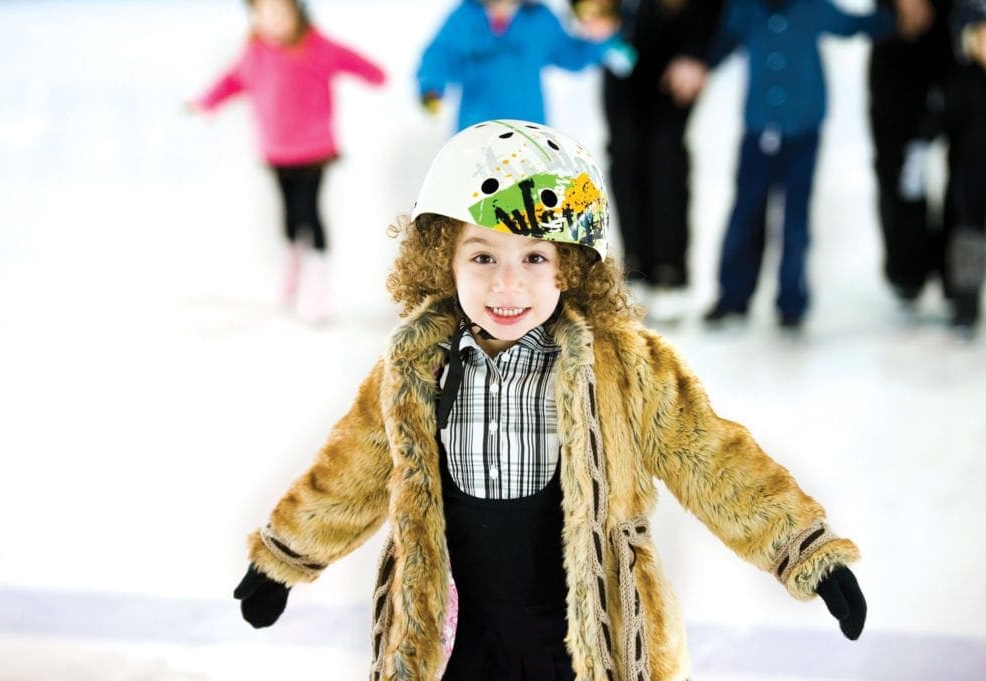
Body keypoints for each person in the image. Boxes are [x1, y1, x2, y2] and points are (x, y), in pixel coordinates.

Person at [231, 120, 867, 681]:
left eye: (535, 257)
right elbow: (356, 470)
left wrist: (806, 552)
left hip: (581, 644)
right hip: (453, 642)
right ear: (440, 260)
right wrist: (284, 557)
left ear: (572, 265)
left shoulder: (624, 366)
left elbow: (714, 460)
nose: (508, 284)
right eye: (482, 256)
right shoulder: (416, 367)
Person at [701, 0, 900, 330]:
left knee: (796, 221)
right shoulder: (745, 9)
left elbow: (851, 26)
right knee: (745, 214)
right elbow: (723, 41)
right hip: (758, 128)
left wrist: (894, 19)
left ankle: (791, 301)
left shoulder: (812, 7)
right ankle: (733, 297)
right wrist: (698, 65)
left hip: (802, 132)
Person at [190, 0, 385, 319]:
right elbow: (231, 82)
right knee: (289, 215)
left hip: (314, 150)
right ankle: (292, 275)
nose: (274, 20)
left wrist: (375, 76)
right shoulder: (255, 53)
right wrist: (205, 103)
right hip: (276, 150)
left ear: (297, 13)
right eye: (265, 13)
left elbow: (360, 65)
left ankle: (320, 287)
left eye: (281, 12)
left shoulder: (319, 46)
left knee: (310, 213)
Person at [592, 0, 726, 322]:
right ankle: (637, 272)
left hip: (678, 53)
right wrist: (589, 13)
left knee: (666, 158)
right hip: (623, 53)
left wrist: (700, 55)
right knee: (625, 157)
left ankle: (671, 273)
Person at [416, 0, 636, 130]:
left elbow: (571, 55)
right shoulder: (463, 17)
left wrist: (601, 41)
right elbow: (438, 56)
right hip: (476, 127)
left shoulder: (540, 19)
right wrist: (431, 88)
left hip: (529, 128)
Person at [868, 0, 953, 309]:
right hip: (897, 38)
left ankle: (957, 278)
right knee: (897, 166)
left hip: (957, 35)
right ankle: (907, 271)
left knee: (967, 172)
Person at [941, 0, 986, 336]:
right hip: (971, 176)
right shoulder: (963, 81)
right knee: (968, 236)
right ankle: (965, 307)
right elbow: (942, 114)